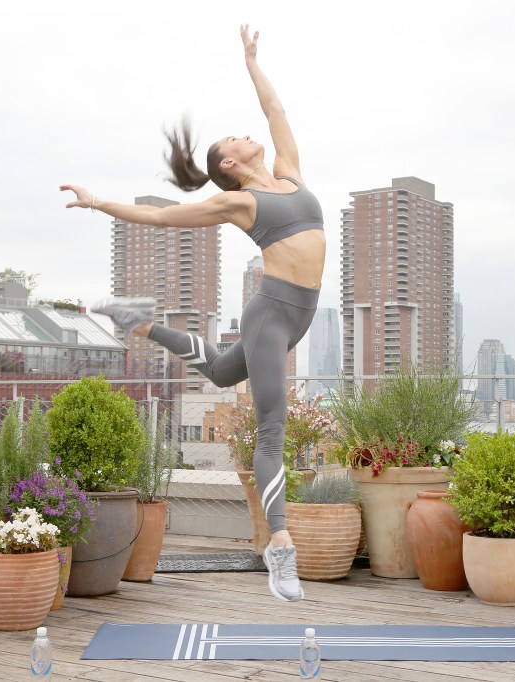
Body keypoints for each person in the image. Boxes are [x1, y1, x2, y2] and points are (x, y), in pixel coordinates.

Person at [59, 25, 324, 603]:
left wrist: (252, 61)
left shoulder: (291, 172)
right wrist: (97, 200)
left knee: (224, 372)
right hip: (273, 314)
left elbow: (275, 107)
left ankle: (138, 322)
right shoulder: (238, 201)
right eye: (236, 137)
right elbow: (160, 218)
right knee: (272, 426)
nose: (248, 134)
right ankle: (279, 545)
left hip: (300, 313)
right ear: (229, 162)